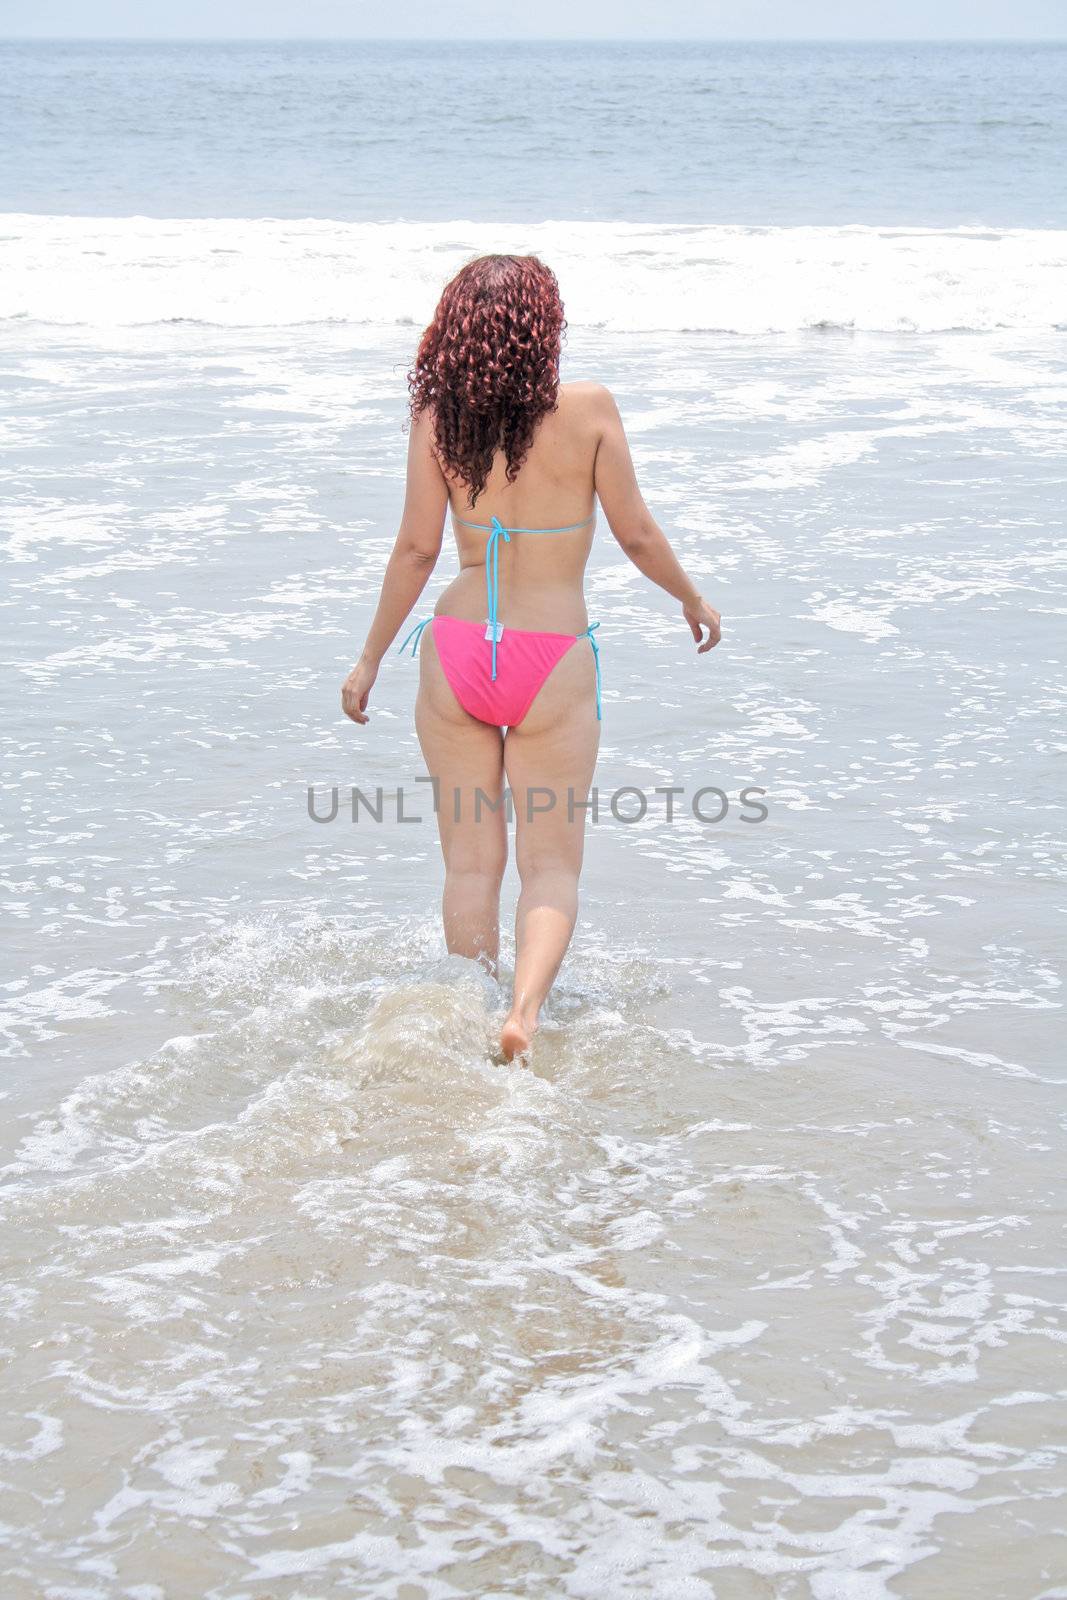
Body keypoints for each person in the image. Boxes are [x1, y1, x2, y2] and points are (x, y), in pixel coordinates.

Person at [341, 254, 721, 1061]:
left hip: (452, 653)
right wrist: (690, 599)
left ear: (457, 333)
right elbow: (636, 533)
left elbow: (415, 550)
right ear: (540, 326)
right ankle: (523, 1013)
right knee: (550, 865)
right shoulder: (587, 410)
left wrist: (369, 657)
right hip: (551, 659)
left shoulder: (439, 421)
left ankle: (468, 1010)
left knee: (469, 863)